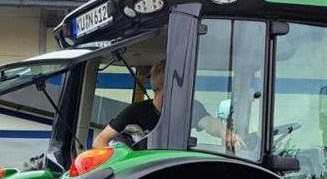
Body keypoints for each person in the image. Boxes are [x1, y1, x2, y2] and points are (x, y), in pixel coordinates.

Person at [94, 59, 242, 152]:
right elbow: (100, 141)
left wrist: (226, 133)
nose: (182, 94)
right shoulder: (135, 112)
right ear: (165, 88)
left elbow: (209, 122)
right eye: (179, 88)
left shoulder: (189, 107)